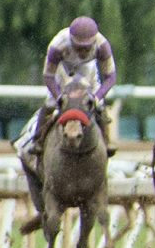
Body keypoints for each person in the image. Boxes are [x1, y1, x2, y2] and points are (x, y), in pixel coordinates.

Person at [16, 17, 117, 174]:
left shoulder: (102, 45)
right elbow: (48, 76)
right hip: (61, 70)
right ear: (71, 41)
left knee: (100, 107)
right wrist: (58, 97)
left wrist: (97, 97)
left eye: (86, 48)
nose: (83, 52)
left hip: (87, 70)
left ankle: (107, 142)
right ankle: (38, 141)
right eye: (79, 48)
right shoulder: (58, 45)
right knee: (50, 105)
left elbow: (110, 77)